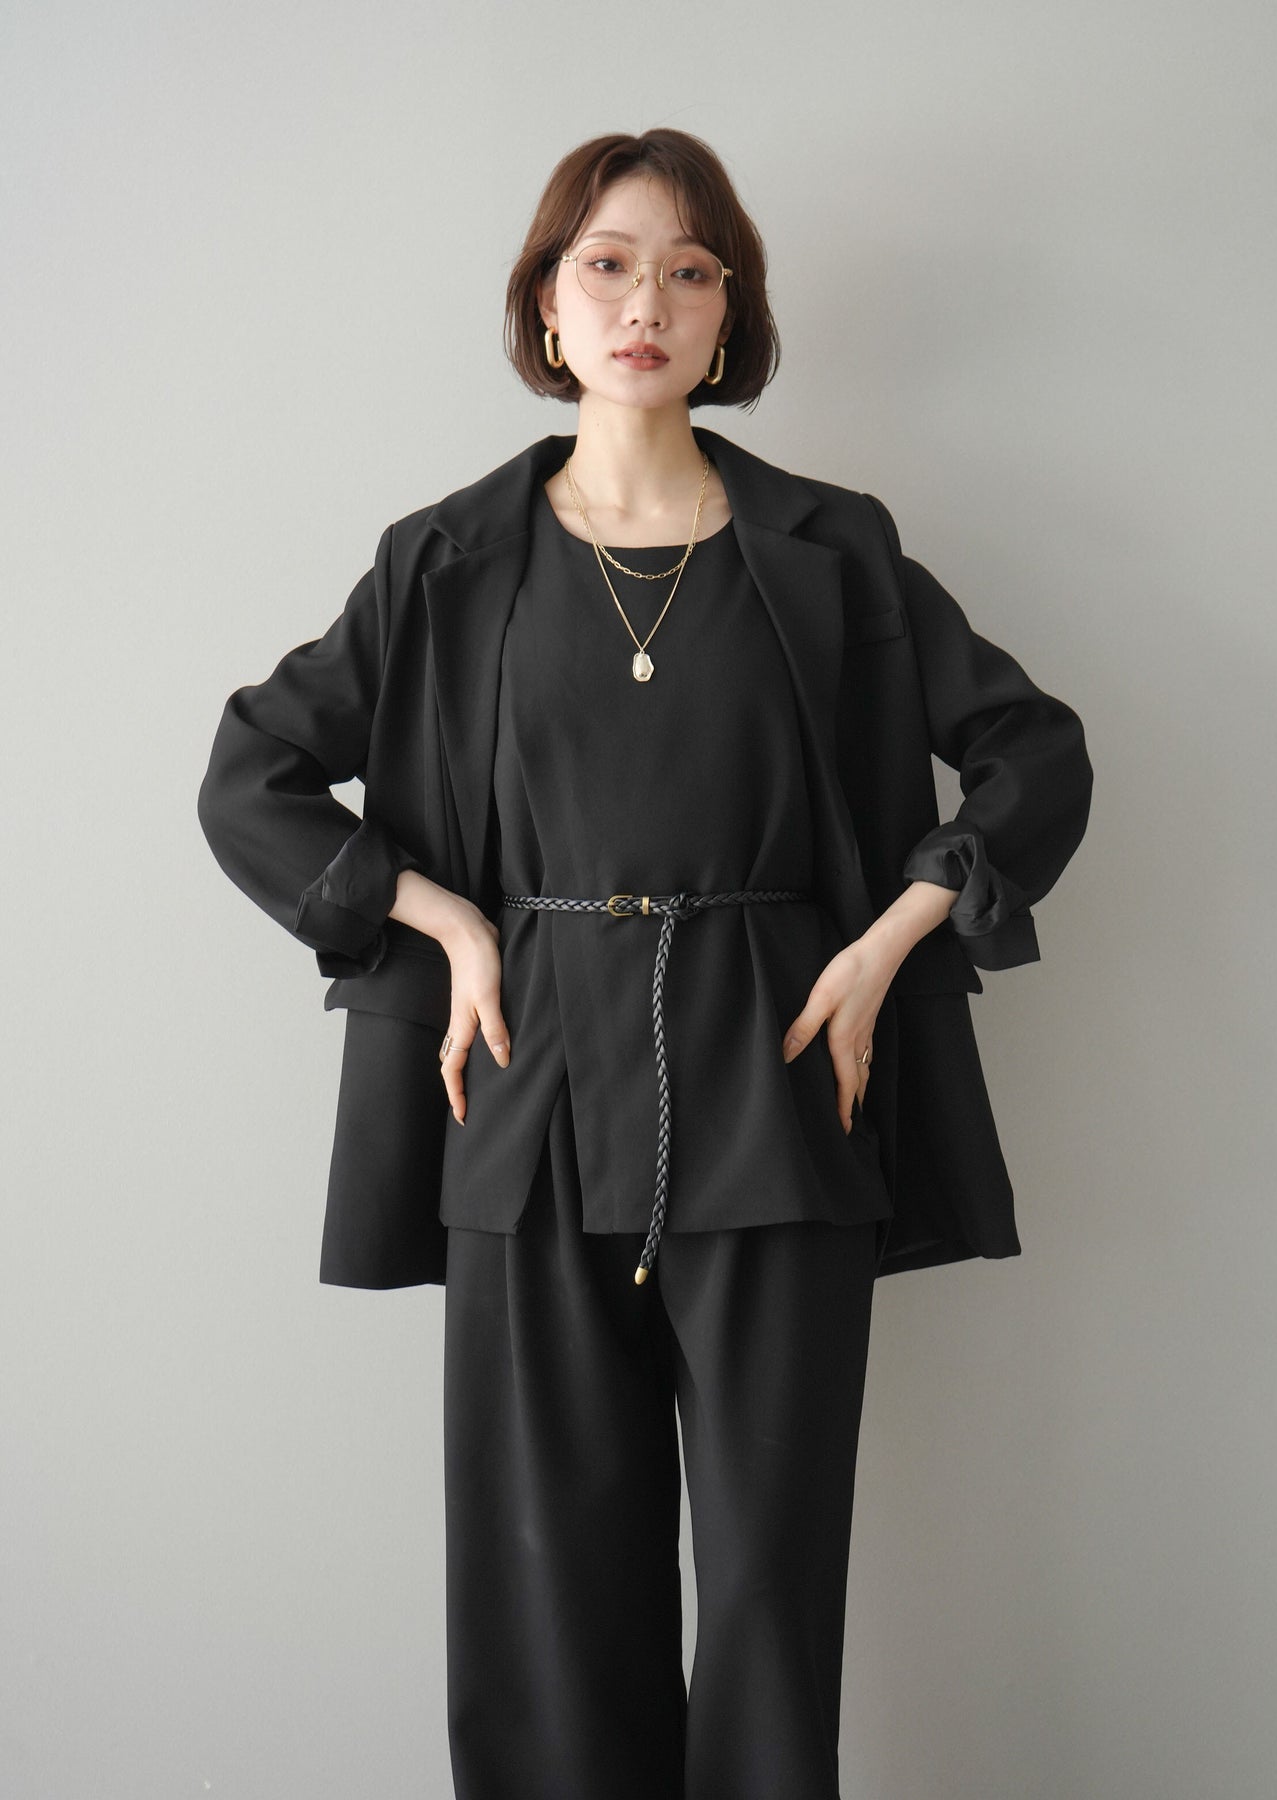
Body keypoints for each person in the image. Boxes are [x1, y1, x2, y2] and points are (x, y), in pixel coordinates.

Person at [197, 128, 1092, 1800]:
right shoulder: (448, 562)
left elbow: (1033, 753)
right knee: (546, 1610)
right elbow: (252, 776)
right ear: (548, 305)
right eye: (606, 264)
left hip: (783, 1093)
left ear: (727, 315)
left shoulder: (832, 550)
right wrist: (441, 915)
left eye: (690, 271)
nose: (647, 303)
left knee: (767, 1604)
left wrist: (893, 939)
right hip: (524, 1100)